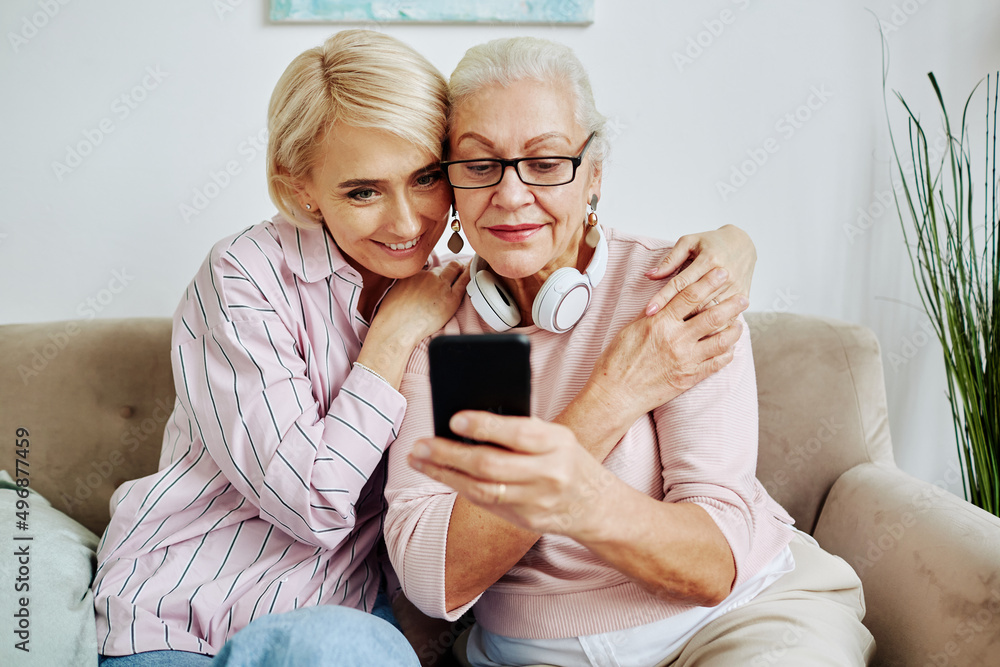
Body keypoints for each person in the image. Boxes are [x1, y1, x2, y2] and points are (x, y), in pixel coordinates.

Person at [90, 30, 759, 666]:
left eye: (425, 177)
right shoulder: (247, 276)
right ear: (300, 186)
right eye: (361, 191)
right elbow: (319, 505)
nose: (408, 222)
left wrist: (737, 243)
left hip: (335, 618)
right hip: (189, 609)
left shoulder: (459, 292)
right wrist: (393, 334)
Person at [383, 36, 876, 667]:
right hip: (533, 653)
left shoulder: (676, 290)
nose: (509, 195)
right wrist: (612, 397)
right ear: (450, 185)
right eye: (480, 165)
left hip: (729, 623)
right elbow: (435, 581)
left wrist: (577, 498)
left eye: (546, 162)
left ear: (593, 175)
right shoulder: (435, 330)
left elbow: (712, 566)